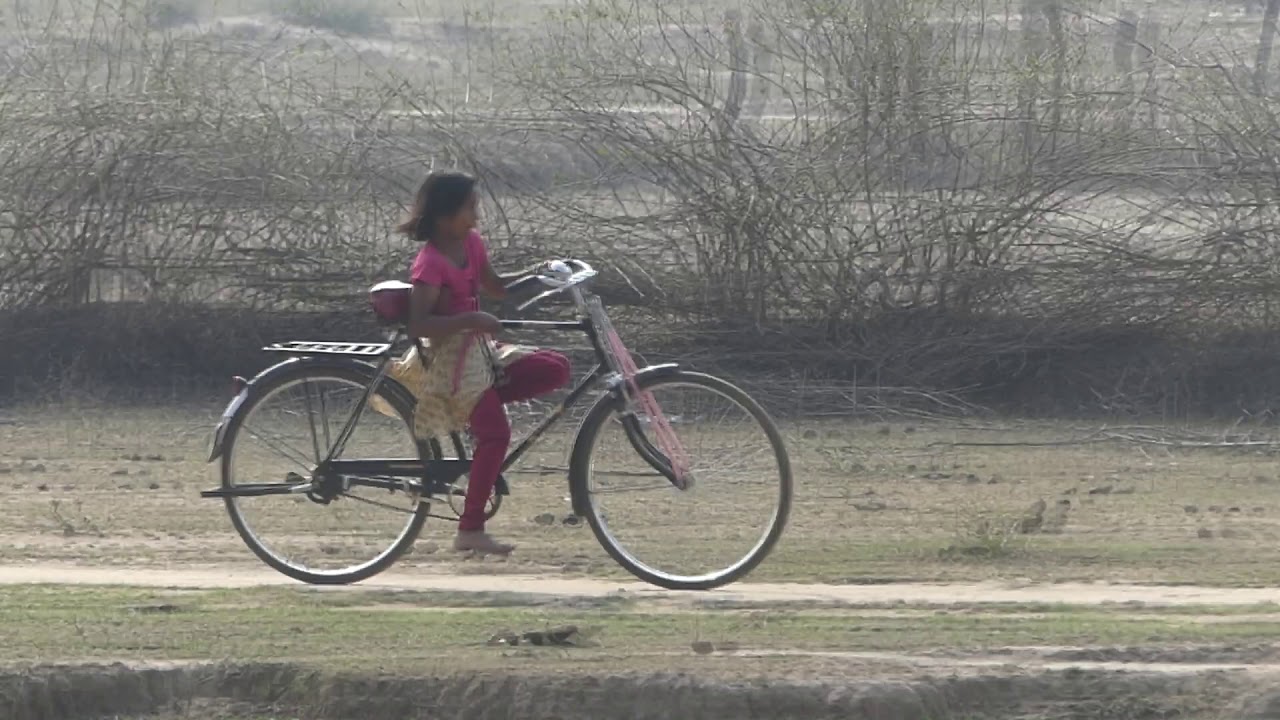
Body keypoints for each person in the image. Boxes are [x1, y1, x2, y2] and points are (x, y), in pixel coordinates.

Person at [396, 170, 571, 556]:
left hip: (478, 352)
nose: (477, 216)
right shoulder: (430, 264)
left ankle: (475, 417)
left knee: (555, 367)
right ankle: (470, 529)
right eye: (470, 208)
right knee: (496, 435)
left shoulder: (471, 244)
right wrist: (471, 319)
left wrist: (541, 276)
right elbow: (419, 325)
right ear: (445, 215)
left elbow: (497, 287)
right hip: (447, 363)